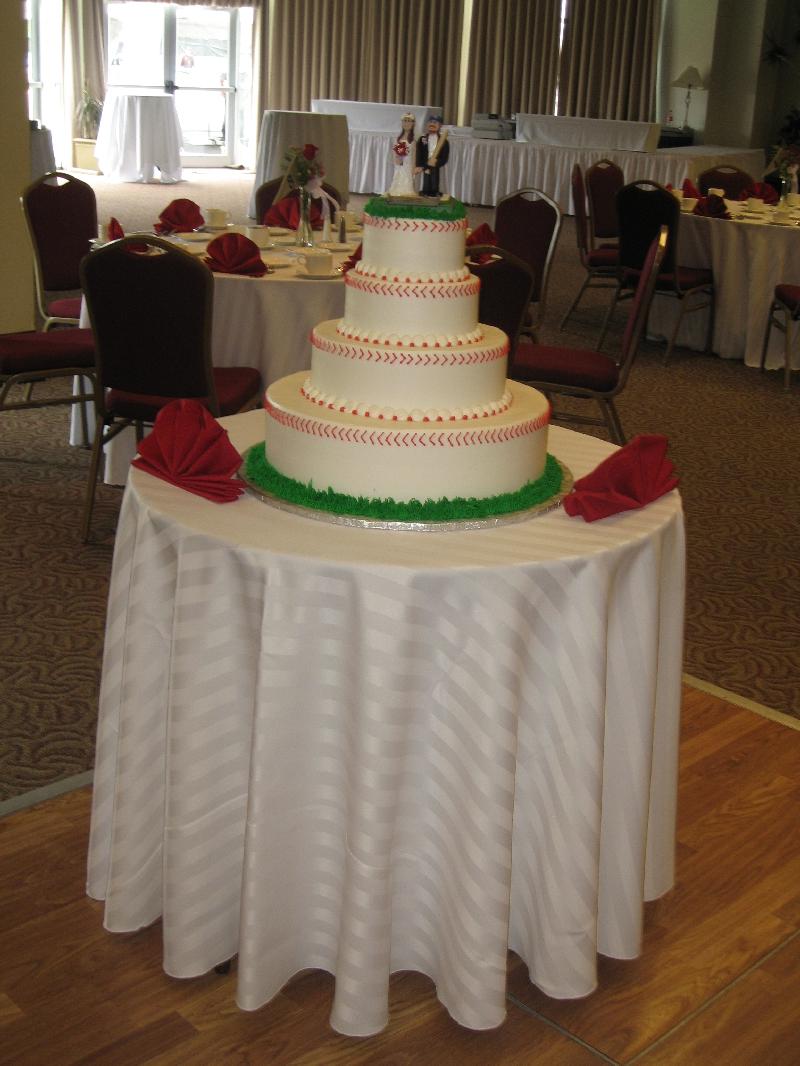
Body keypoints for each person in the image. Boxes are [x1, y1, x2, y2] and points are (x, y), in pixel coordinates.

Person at [416, 115, 449, 197]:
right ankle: (425, 191)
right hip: (425, 164)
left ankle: (434, 192)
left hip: (435, 165)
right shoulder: (422, 139)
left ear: (440, 125)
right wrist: (420, 165)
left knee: (435, 178)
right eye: (430, 122)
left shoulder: (444, 141)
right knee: (426, 179)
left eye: (435, 122)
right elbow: (419, 153)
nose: (432, 124)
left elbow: (444, 157)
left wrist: (437, 162)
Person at [387, 113, 418, 196]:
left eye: (409, 121)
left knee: (407, 183)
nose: (406, 123)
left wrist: (413, 169)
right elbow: (395, 153)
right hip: (399, 165)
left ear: (413, 124)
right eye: (405, 121)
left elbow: (414, 156)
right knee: (398, 181)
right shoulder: (398, 139)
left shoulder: (413, 141)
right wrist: (397, 159)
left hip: (408, 166)